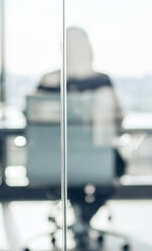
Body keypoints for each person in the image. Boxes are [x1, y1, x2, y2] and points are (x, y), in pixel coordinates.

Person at [31, 26, 125, 239]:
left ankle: (82, 217)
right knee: (114, 166)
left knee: (73, 167)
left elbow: (32, 116)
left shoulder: (48, 80)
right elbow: (118, 117)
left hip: (56, 156)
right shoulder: (100, 81)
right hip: (93, 153)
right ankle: (85, 217)